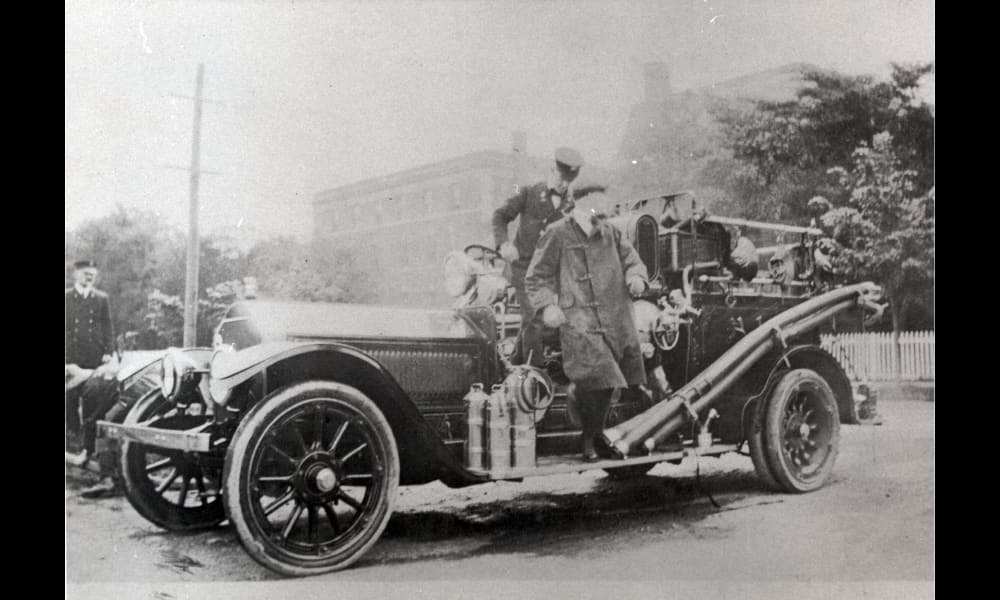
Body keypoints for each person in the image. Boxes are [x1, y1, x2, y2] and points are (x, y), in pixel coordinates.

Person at [524, 198, 649, 461]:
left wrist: (636, 277)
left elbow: (633, 261)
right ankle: (590, 438)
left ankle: (588, 414)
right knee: (603, 375)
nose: (601, 210)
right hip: (578, 319)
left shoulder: (611, 232)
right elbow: (537, 277)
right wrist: (547, 306)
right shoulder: (557, 232)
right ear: (580, 204)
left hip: (614, 317)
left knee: (612, 380)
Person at [492, 147, 590, 367]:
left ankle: (515, 367)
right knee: (535, 318)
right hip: (522, 270)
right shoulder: (528, 192)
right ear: (551, 169)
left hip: (546, 274)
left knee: (532, 321)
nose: (562, 184)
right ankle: (535, 378)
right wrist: (504, 244)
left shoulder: (570, 206)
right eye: (559, 177)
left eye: (567, 181)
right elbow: (499, 216)